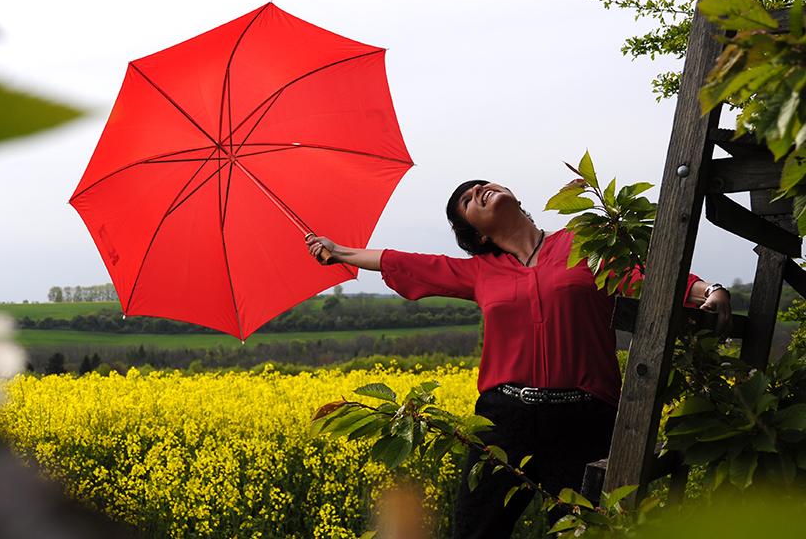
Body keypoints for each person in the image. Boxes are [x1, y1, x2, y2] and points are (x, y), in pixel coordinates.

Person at [306, 180, 732, 539]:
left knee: (588, 530)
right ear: (477, 235)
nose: (479, 190)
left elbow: (647, 277)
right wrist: (339, 251)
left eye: (481, 185)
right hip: (504, 421)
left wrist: (709, 290)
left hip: (584, 420)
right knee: (476, 532)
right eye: (468, 199)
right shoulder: (479, 271)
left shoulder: (582, 244)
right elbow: (411, 264)